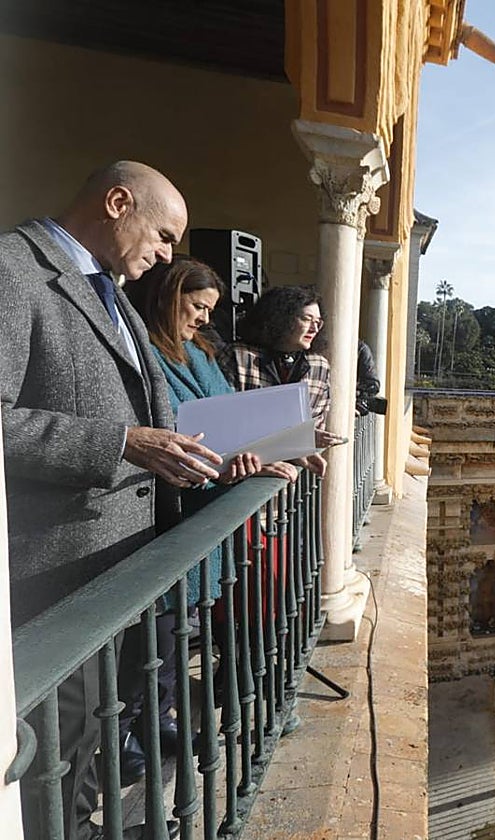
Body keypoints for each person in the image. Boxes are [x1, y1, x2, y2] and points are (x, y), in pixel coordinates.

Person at [0, 161, 224, 840]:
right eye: (161, 236)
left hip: (121, 577)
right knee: (53, 758)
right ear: (116, 201)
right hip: (56, 580)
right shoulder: (12, 269)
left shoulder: (113, 290)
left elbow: (152, 416)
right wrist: (119, 445)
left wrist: (213, 456)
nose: (164, 256)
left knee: (92, 742)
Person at [117, 256, 297, 784]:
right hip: (164, 512)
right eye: (197, 307)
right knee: (153, 637)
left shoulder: (199, 353)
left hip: (203, 507)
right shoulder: (141, 352)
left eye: (209, 309)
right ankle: (129, 730)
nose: (202, 319)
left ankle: (161, 718)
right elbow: (179, 429)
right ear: (167, 298)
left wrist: (277, 447)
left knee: (173, 634)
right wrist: (231, 462)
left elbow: (228, 417)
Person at [219, 285, 335, 474]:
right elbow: (223, 421)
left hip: (292, 481)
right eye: (306, 319)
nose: (314, 328)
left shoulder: (319, 366)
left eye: (319, 322)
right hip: (241, 475)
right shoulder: (238, 356)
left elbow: (316, 422)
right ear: (281, 318)